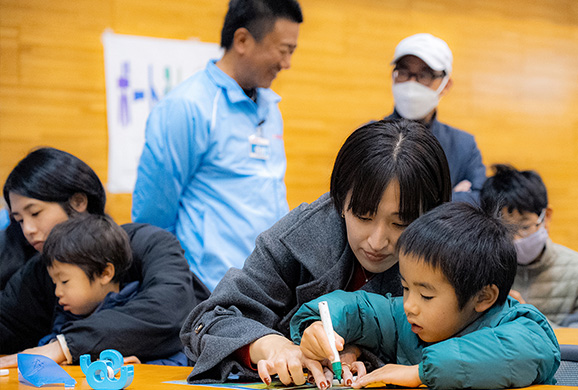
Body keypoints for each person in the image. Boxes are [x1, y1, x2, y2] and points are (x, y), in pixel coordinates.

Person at [180, 119, 453, 385]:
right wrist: (273, 346)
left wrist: (363, 354)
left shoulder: (452, 257)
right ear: (339, 199)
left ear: (433, 214)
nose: (377, 241)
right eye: (363, 216)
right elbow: (207, 320)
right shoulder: (298, 236)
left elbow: (473, 349)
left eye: (401, 223)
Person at [291, 202, 560, 389]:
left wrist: (419, 372)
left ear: (483, 297)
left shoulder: (522, 327)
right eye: (406, 288)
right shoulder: (407, 320)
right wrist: (318, 324)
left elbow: (527, 351)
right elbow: (360, 310)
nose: (410, 305)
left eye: (426, 296)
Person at [132, 0, 303, 291]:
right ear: (242, 40)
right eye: (284, 50)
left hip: (264, 286)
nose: (286, 64)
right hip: (208, 289)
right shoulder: (188, 107)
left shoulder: (270, 107)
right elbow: (153, 215)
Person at [0, 147, 209, 367]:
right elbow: (7, 321)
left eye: (35, 213)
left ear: (79, 202)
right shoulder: (39, 269)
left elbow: (169, 309)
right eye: (19, 219)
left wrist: (62, 346)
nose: (28, 229)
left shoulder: (148, 242)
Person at [383, 33, 486, 204]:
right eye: (403, 72)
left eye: (424, 75)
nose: (411, 82)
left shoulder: (464, 146)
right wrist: (449, 199)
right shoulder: (366, 136)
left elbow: (480, 203)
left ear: (446, 85)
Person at [480, 164, 578, 326]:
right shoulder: (485, 270)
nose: (517, 238)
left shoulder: (574, 269)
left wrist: (528, 316)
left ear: (546, 217)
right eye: (506, 230)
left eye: (524, 227)